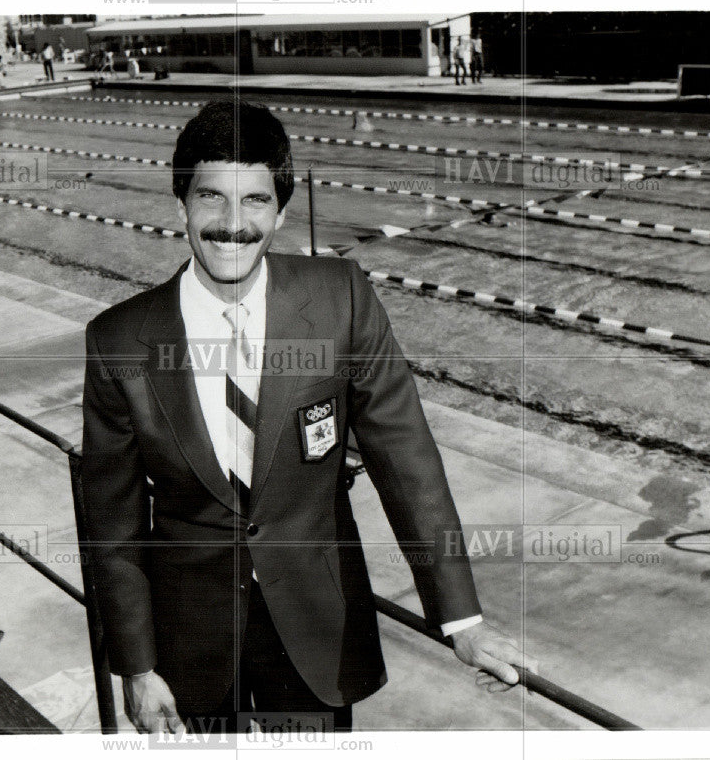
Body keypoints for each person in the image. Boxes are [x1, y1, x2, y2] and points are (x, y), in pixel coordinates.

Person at [80, 100, 535, 737]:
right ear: (180, 202)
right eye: (211, 198)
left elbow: (405, 458)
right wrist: (135, 664)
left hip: (318, 622)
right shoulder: (120, 340)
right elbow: (113, 521)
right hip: (193, 638)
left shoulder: (341, 298)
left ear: (282, 211)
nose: (232, 225)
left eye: (255, 202)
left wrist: (459, 617)